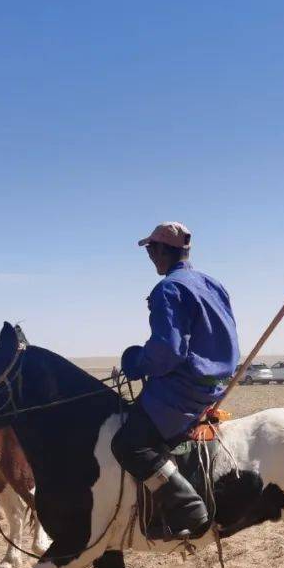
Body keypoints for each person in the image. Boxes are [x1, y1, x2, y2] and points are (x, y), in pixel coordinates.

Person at [112, 222, 239, 540]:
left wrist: (134, 362)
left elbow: (167, 352)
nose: (150, 257)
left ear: (160, 251)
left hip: (183, 391)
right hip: (215, 385)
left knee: (129, 444)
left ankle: (188, 508)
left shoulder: (168, 289)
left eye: (150, 250)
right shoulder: (212, 283)